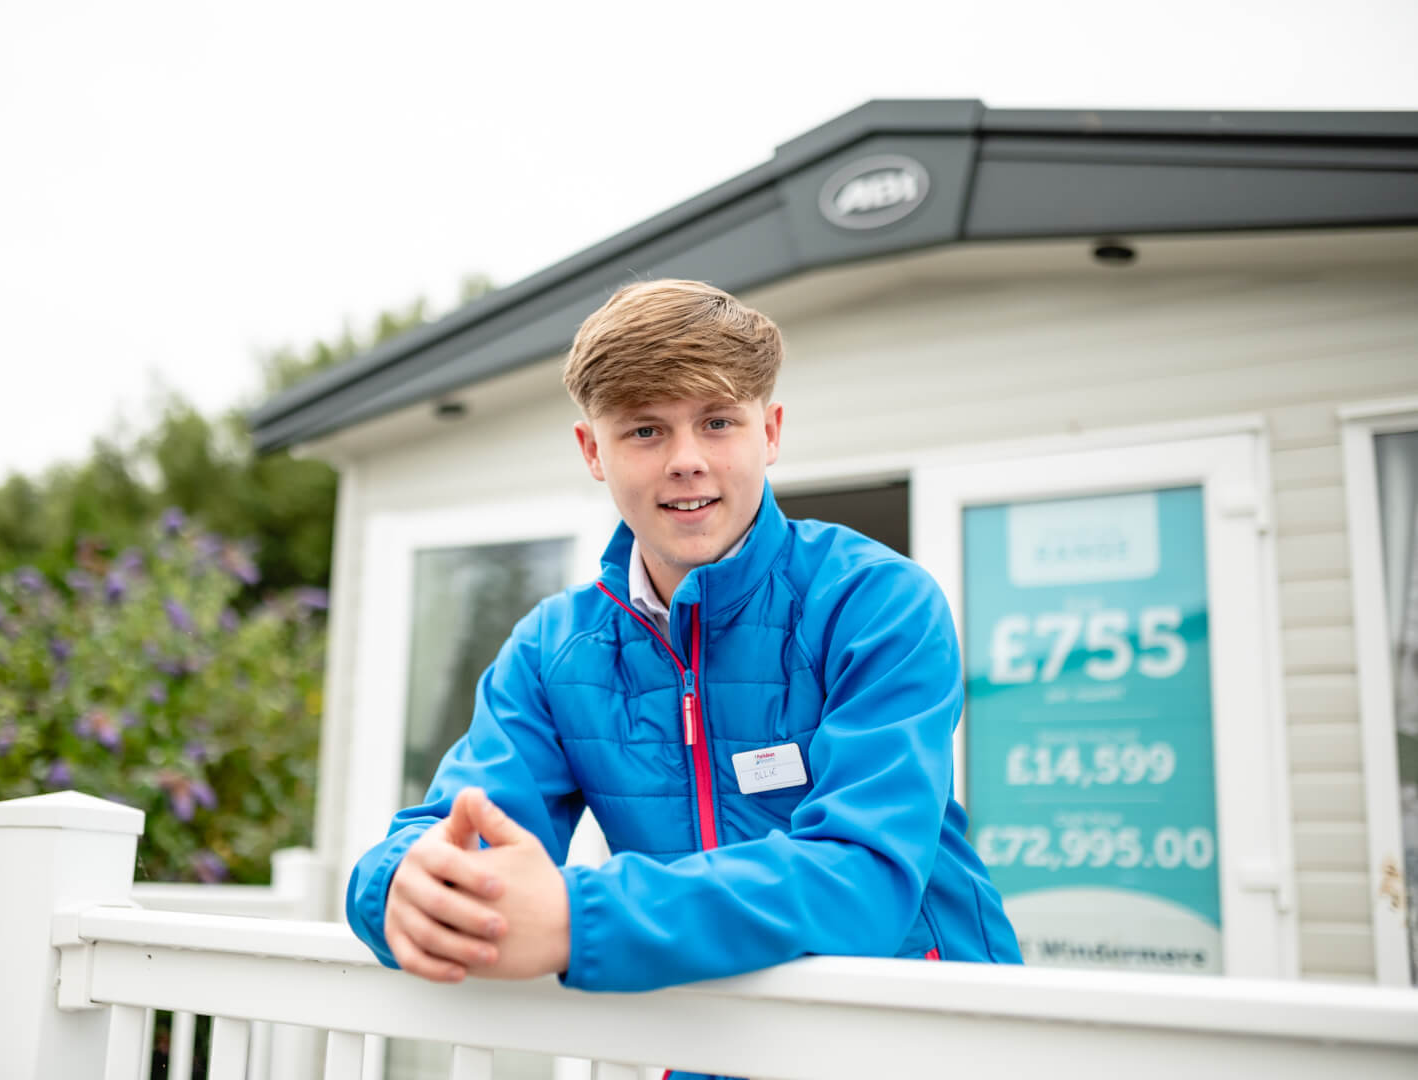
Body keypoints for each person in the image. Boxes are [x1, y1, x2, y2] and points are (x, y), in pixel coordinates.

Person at [345, 279, 1022, 1003]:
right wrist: (401, 888)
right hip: (715, 1038)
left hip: (929, 1039)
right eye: (645, 429)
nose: (685, 459)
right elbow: (453, 836)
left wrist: (581, 919)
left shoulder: (878, 604)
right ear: (592, 450)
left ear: (771, 432)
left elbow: (864, 877)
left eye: (719, 422)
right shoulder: (552, 652)